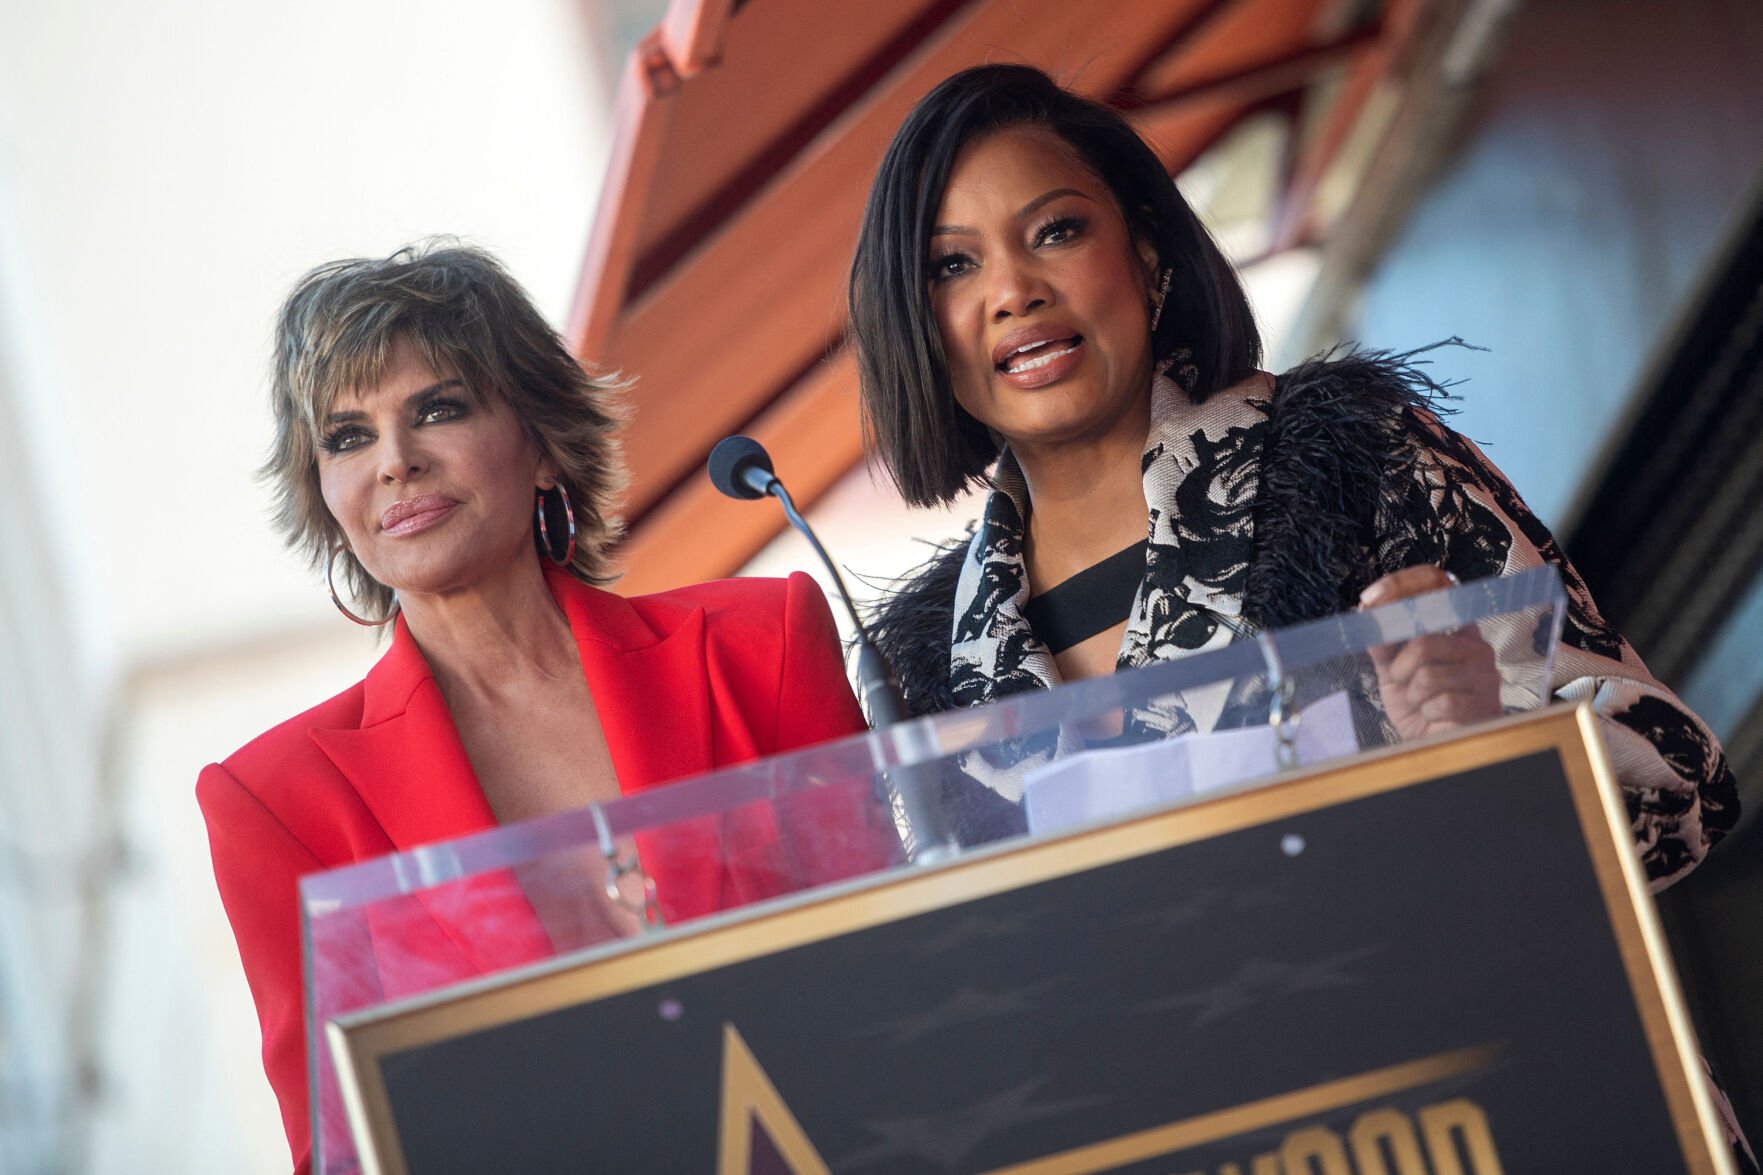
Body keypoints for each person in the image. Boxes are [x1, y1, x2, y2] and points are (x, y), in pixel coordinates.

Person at [850, 65, 1739, 885]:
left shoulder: (1349, 455)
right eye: (952, 265)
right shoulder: (918, 678)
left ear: (1148, 257)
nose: (1013, 290)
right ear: (916, 330)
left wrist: (1492, 741)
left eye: (1056, 230)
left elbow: (1675, 792)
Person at [198, 241, 883, 1173]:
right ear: (325, 497)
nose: (394, 461)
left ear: (545, 442)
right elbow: (342, 1147)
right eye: (347, 435)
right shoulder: (277, 800)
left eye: (438, 409)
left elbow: (889, 969)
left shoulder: (757, 644)